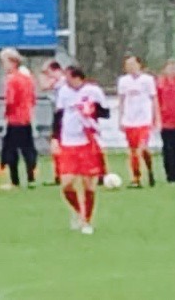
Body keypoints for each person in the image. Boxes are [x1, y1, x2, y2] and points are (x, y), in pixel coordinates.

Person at [53, 66, 108, 235]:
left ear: (77, 77)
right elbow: (58, 115)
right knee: (66, 184)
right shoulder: (63, 92)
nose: (66, 80)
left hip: (87, 141)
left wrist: (91, 109)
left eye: (68, 77)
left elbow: (105, 113)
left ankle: (86, 220)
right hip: (68, 142)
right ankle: (80, 212)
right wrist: (55, 138)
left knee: (88, 184)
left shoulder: (93, 91)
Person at [117, 55, 160, 188]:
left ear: (139, 65)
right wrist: (120, 119)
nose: (130, 67)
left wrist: (156, 118)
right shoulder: (123, 81)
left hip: (144, 120)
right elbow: (121, 100)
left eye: (132, 64)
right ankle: (139, 176)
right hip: (129, 120)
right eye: (127, 65)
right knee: (133, 150)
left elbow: (154, 99)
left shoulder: (148, 80)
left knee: (140, 149)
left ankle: (142, 174)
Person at [0, 48, 38, 190]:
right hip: (27, 118)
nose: (4, 65)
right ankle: (31, 179)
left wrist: (6, 112)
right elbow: (33, 99)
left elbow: (10, 100)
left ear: (12, 62)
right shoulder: (28, 78)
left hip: (15, 119)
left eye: (4, 62)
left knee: (11, 150)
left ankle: (14, 181)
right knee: (28, 150)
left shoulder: (12, 79)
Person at [39, 60, 67, 186]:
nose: (48, 76)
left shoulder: (62, 82)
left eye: (49, 72)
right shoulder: (58, 82)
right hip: (58, 115)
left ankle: (61, 174)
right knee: (56, 144)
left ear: (57, 71)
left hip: (63, 115)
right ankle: (59, 174)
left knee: (58, 144)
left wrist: (42, 73)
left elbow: (44, 86)